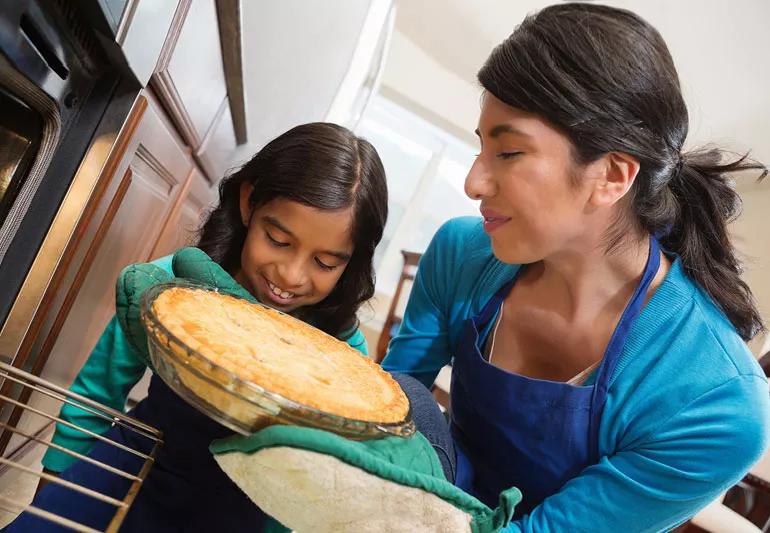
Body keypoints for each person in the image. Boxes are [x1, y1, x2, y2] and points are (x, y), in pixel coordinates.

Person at [382, 3, 770, 531]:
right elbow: (380, 414)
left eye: (509, 153)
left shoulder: (715, 405)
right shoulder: (461, 256)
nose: (473, 182)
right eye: (481, 147)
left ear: (611, 175)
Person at [9, 122, 388, 532]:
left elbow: (310, 485)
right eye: (278, 240)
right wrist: (52, 491)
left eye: (325, 263)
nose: (292, 275)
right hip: (142, 457)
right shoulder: (170, 286)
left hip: (245, 508)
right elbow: (98, 393)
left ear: (351, 262)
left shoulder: (344, 353)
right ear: (248, 203)